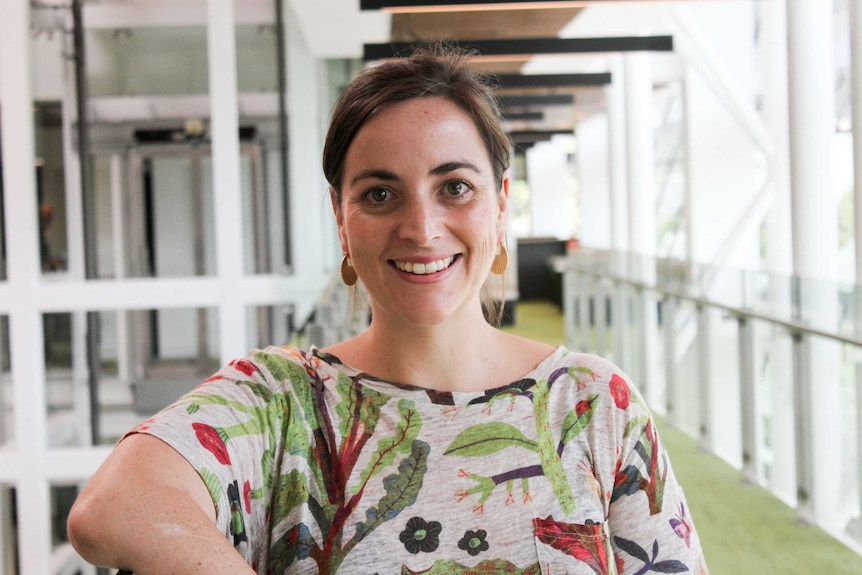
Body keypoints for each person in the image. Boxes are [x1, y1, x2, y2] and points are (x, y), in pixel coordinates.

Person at [68, 47, 710, 575]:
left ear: (501, 204)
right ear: (342, 224)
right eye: (380, 194)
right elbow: (113, 505)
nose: (421, 228)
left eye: (454, 187)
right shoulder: (279, 404)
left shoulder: (594, 405)